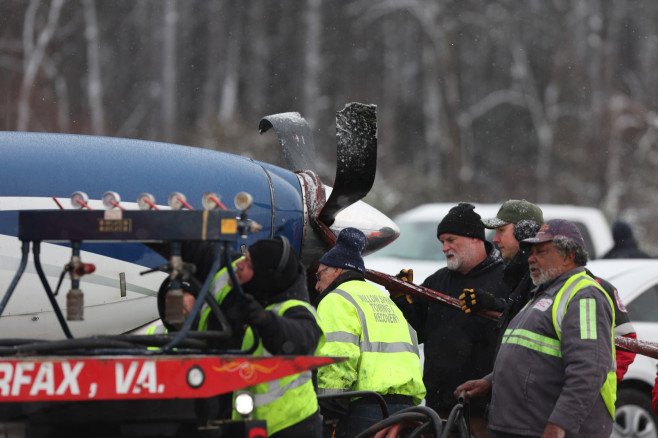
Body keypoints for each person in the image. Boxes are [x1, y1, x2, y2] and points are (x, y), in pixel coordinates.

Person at [455, 219, 616, 438]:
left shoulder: (584, 296)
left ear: (569, 256)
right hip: (519, 428)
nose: (531, 258)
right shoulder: (543, 293)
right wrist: (489, 382)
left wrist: (559, 424)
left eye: (541, 252)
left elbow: (588, 370)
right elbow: (533, 356)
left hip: (546, 431)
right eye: (531, 252)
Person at [157, 236, 325, 438]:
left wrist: (268, 322)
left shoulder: (295, 310)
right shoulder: (229, 271)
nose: (239, 265)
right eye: (245, 257)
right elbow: (190, 245)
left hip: (287, 428)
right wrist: (136, 225)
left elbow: (301, 339)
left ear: (264, 277)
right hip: (231, 423)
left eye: (249, 264)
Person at [460, 201, 636, 383]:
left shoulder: (585, 288)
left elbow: (624, 341)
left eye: (501, 231)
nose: (495, 239)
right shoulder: (524, 279)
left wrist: (601, 384)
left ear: (524, 231)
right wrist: (494, 305)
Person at [390, 203, 507, 438]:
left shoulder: (505, 278)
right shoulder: (436, 282)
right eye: (442, 241)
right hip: (439, 409)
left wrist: (492, 303)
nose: (444, 247)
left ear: (474, 238)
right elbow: (417, 333)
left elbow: (517, 320)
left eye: (451, 240)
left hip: (485, 412)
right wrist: (402, 298)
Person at [313, 227, 426, 438]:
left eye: (319, 275)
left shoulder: (336, 299)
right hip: (406, 409)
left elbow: (337, 357)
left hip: (366, 409)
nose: (317, 285)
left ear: (336, 270)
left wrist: (330, 412)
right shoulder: (383, 299)